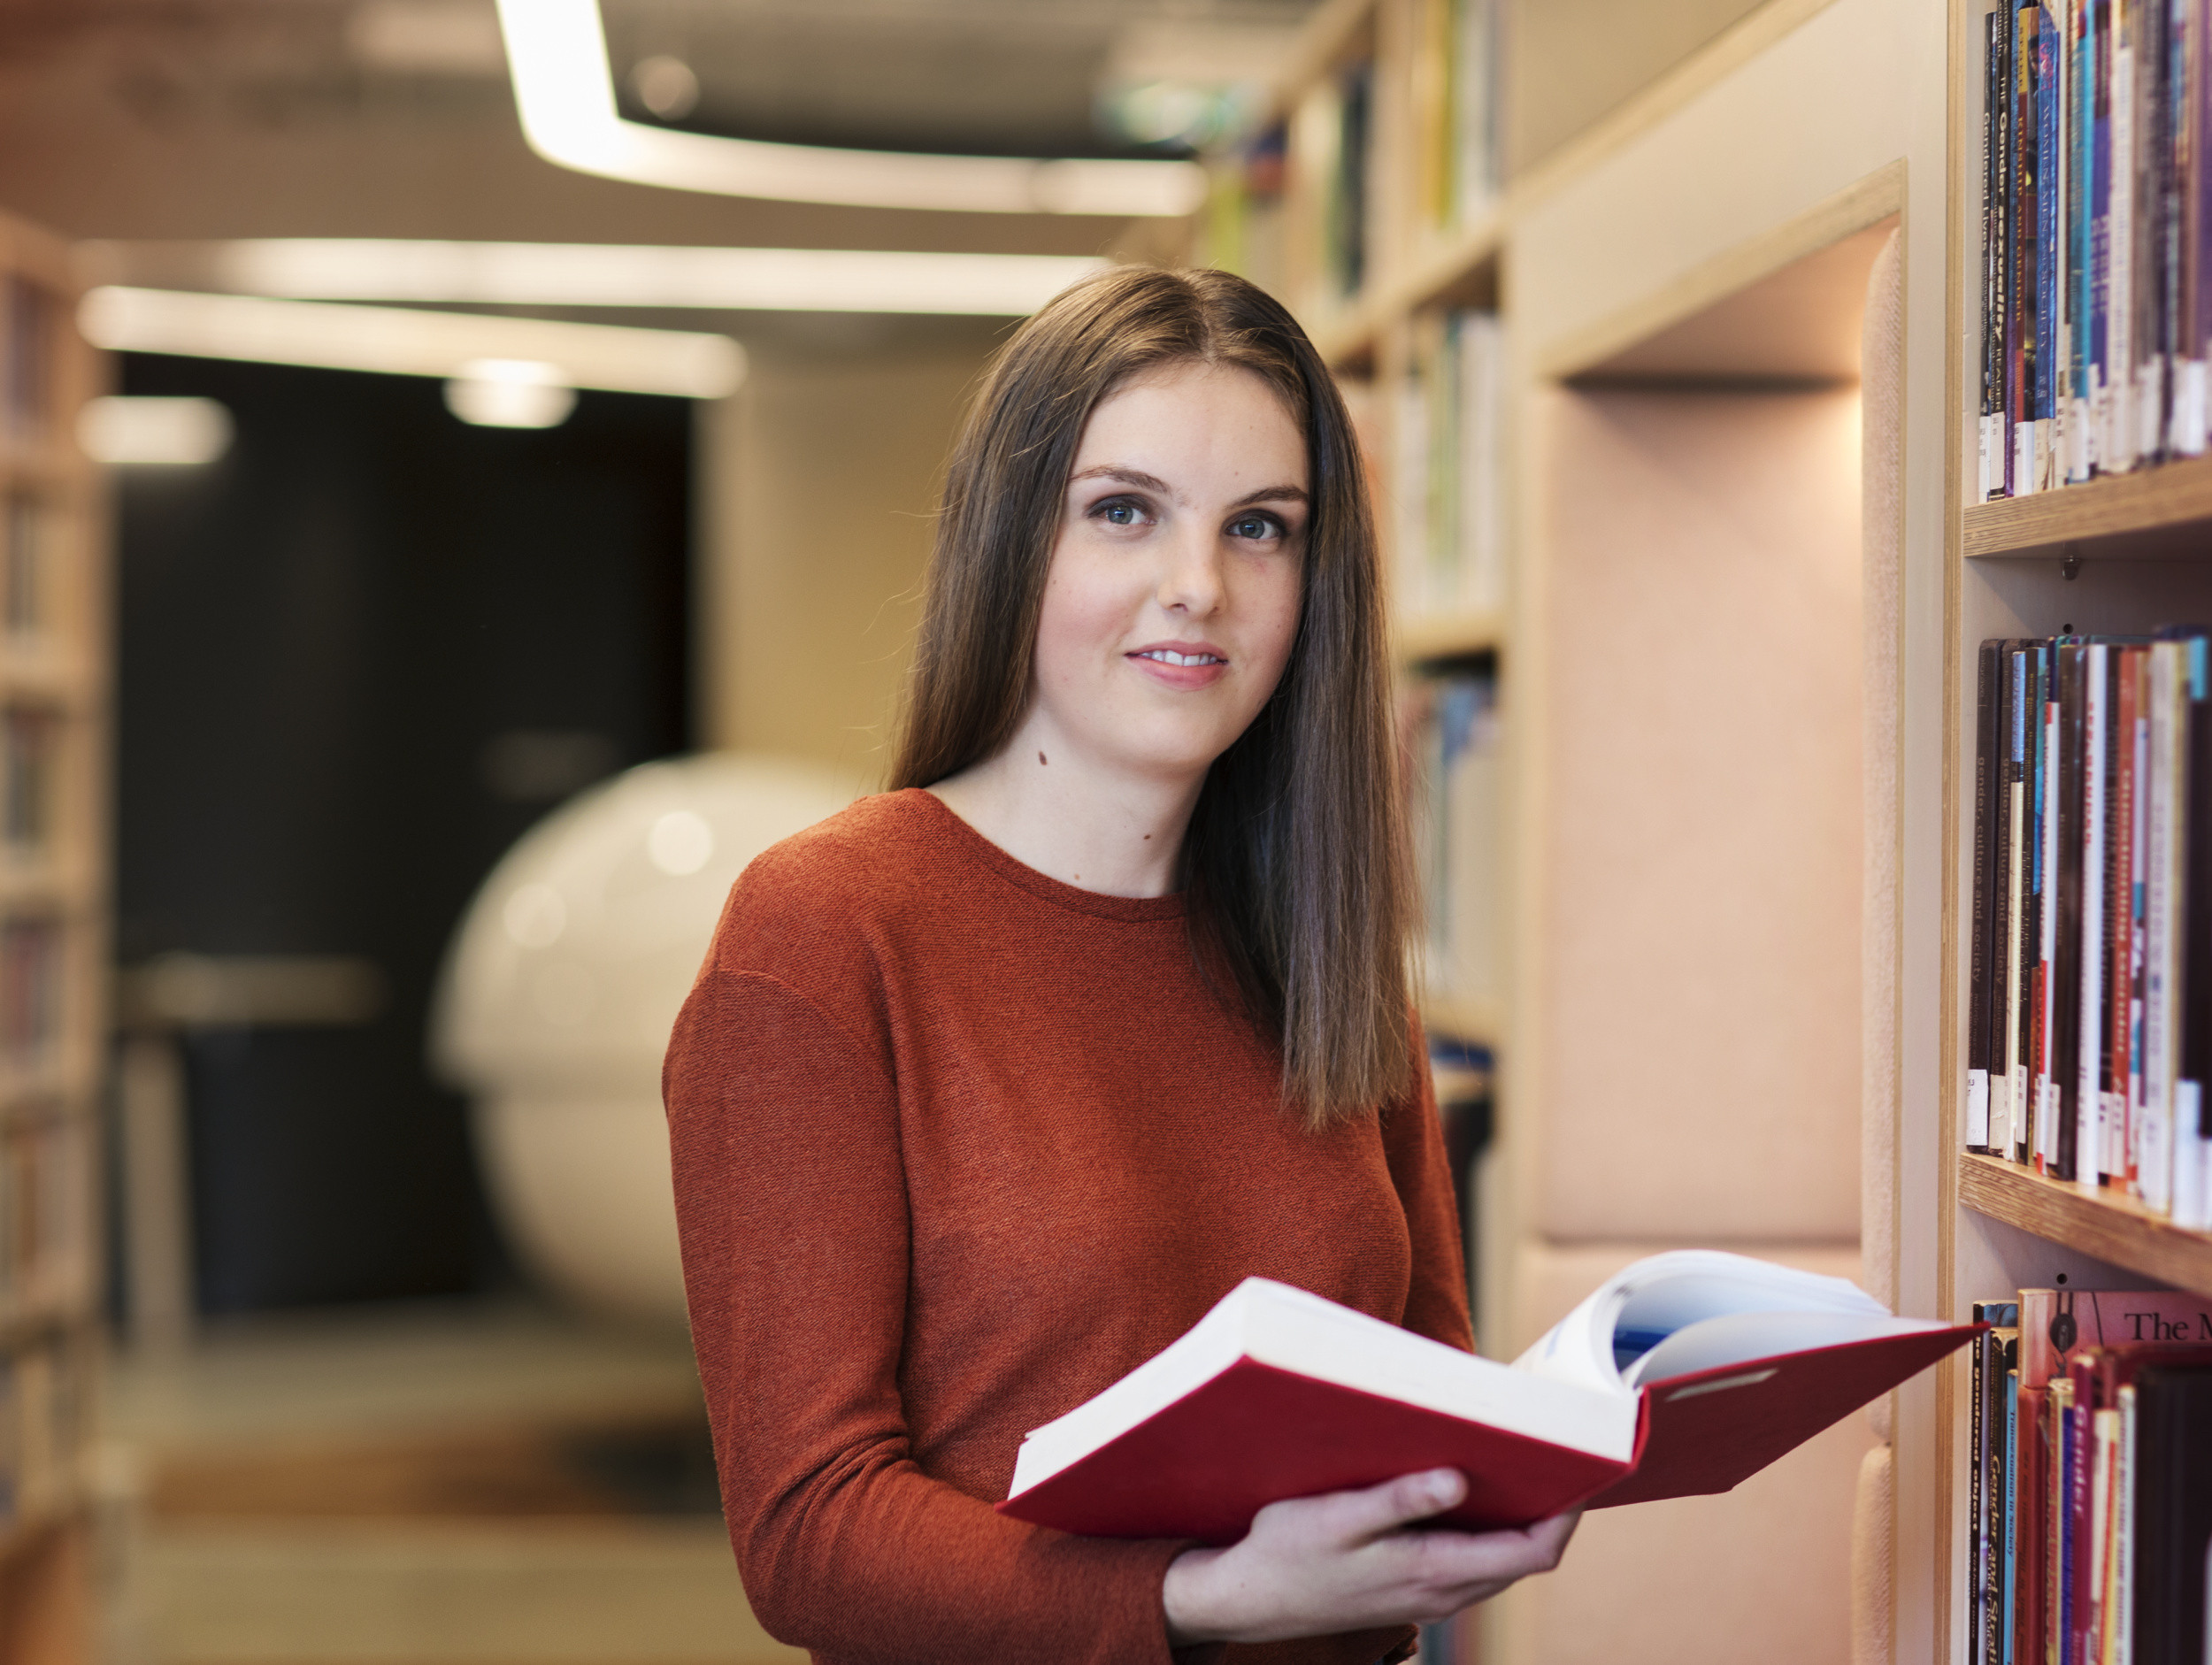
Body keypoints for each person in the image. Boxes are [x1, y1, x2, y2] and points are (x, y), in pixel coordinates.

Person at [663, 265, 1577, 1665]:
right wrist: (1199, 1595)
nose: (1198, 586)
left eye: (1260, 527)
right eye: (1124, 510)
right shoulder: (826, 932)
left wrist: (1505, 1480)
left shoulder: (1328, 946)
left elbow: (1425, 1377)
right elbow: (807, 1527)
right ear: (1013, 540)